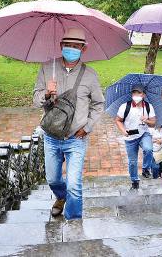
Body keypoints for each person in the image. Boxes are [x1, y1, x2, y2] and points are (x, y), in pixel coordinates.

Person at [33, 28, 105, 220]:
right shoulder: (47, 68)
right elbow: (35, 99)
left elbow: (98, 104)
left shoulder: (90, 74)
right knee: (53, 179)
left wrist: (87, 127)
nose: (71, 49)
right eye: (67, 45)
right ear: (61, 46)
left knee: (74, 183)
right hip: (51, 135)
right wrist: (47, 94)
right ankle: (61, 197)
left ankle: (74, 223)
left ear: (83, 49)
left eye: (76, 46)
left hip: (76, 138)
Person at [115, 84, 156, 190]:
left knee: (148, 149)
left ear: (144, 95)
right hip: (130, 137)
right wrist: (123, 131)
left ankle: (146, 168)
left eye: (139, 93)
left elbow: (153, 123)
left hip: (144, 134)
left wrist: (146, 120)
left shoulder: (148, 106)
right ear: (131, 94)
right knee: (132, 162)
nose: (136, 95)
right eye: (134, 93)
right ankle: (134, 180)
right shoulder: (125, 106)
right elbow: (118, 120)